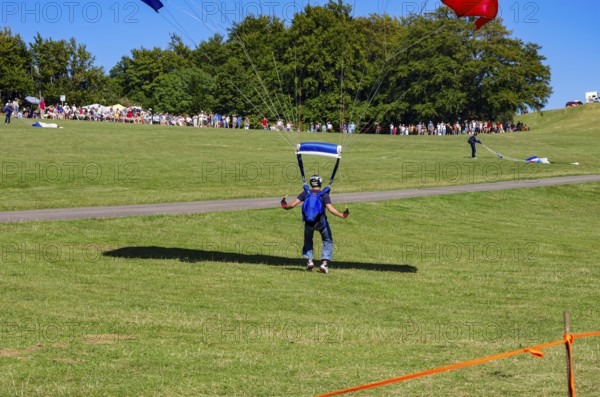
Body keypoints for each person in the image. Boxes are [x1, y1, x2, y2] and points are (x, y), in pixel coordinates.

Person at [281, 175, 348, 274]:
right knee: (327, 241)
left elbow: (292, 205)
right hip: (321, 223)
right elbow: (330, 209)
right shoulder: (323, 194)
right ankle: (324, 264)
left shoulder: (306, 193)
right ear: (320, 183)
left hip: (308, 223)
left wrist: (284, 206)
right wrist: (342, 215)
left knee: (308, 239)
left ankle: (309, 261)